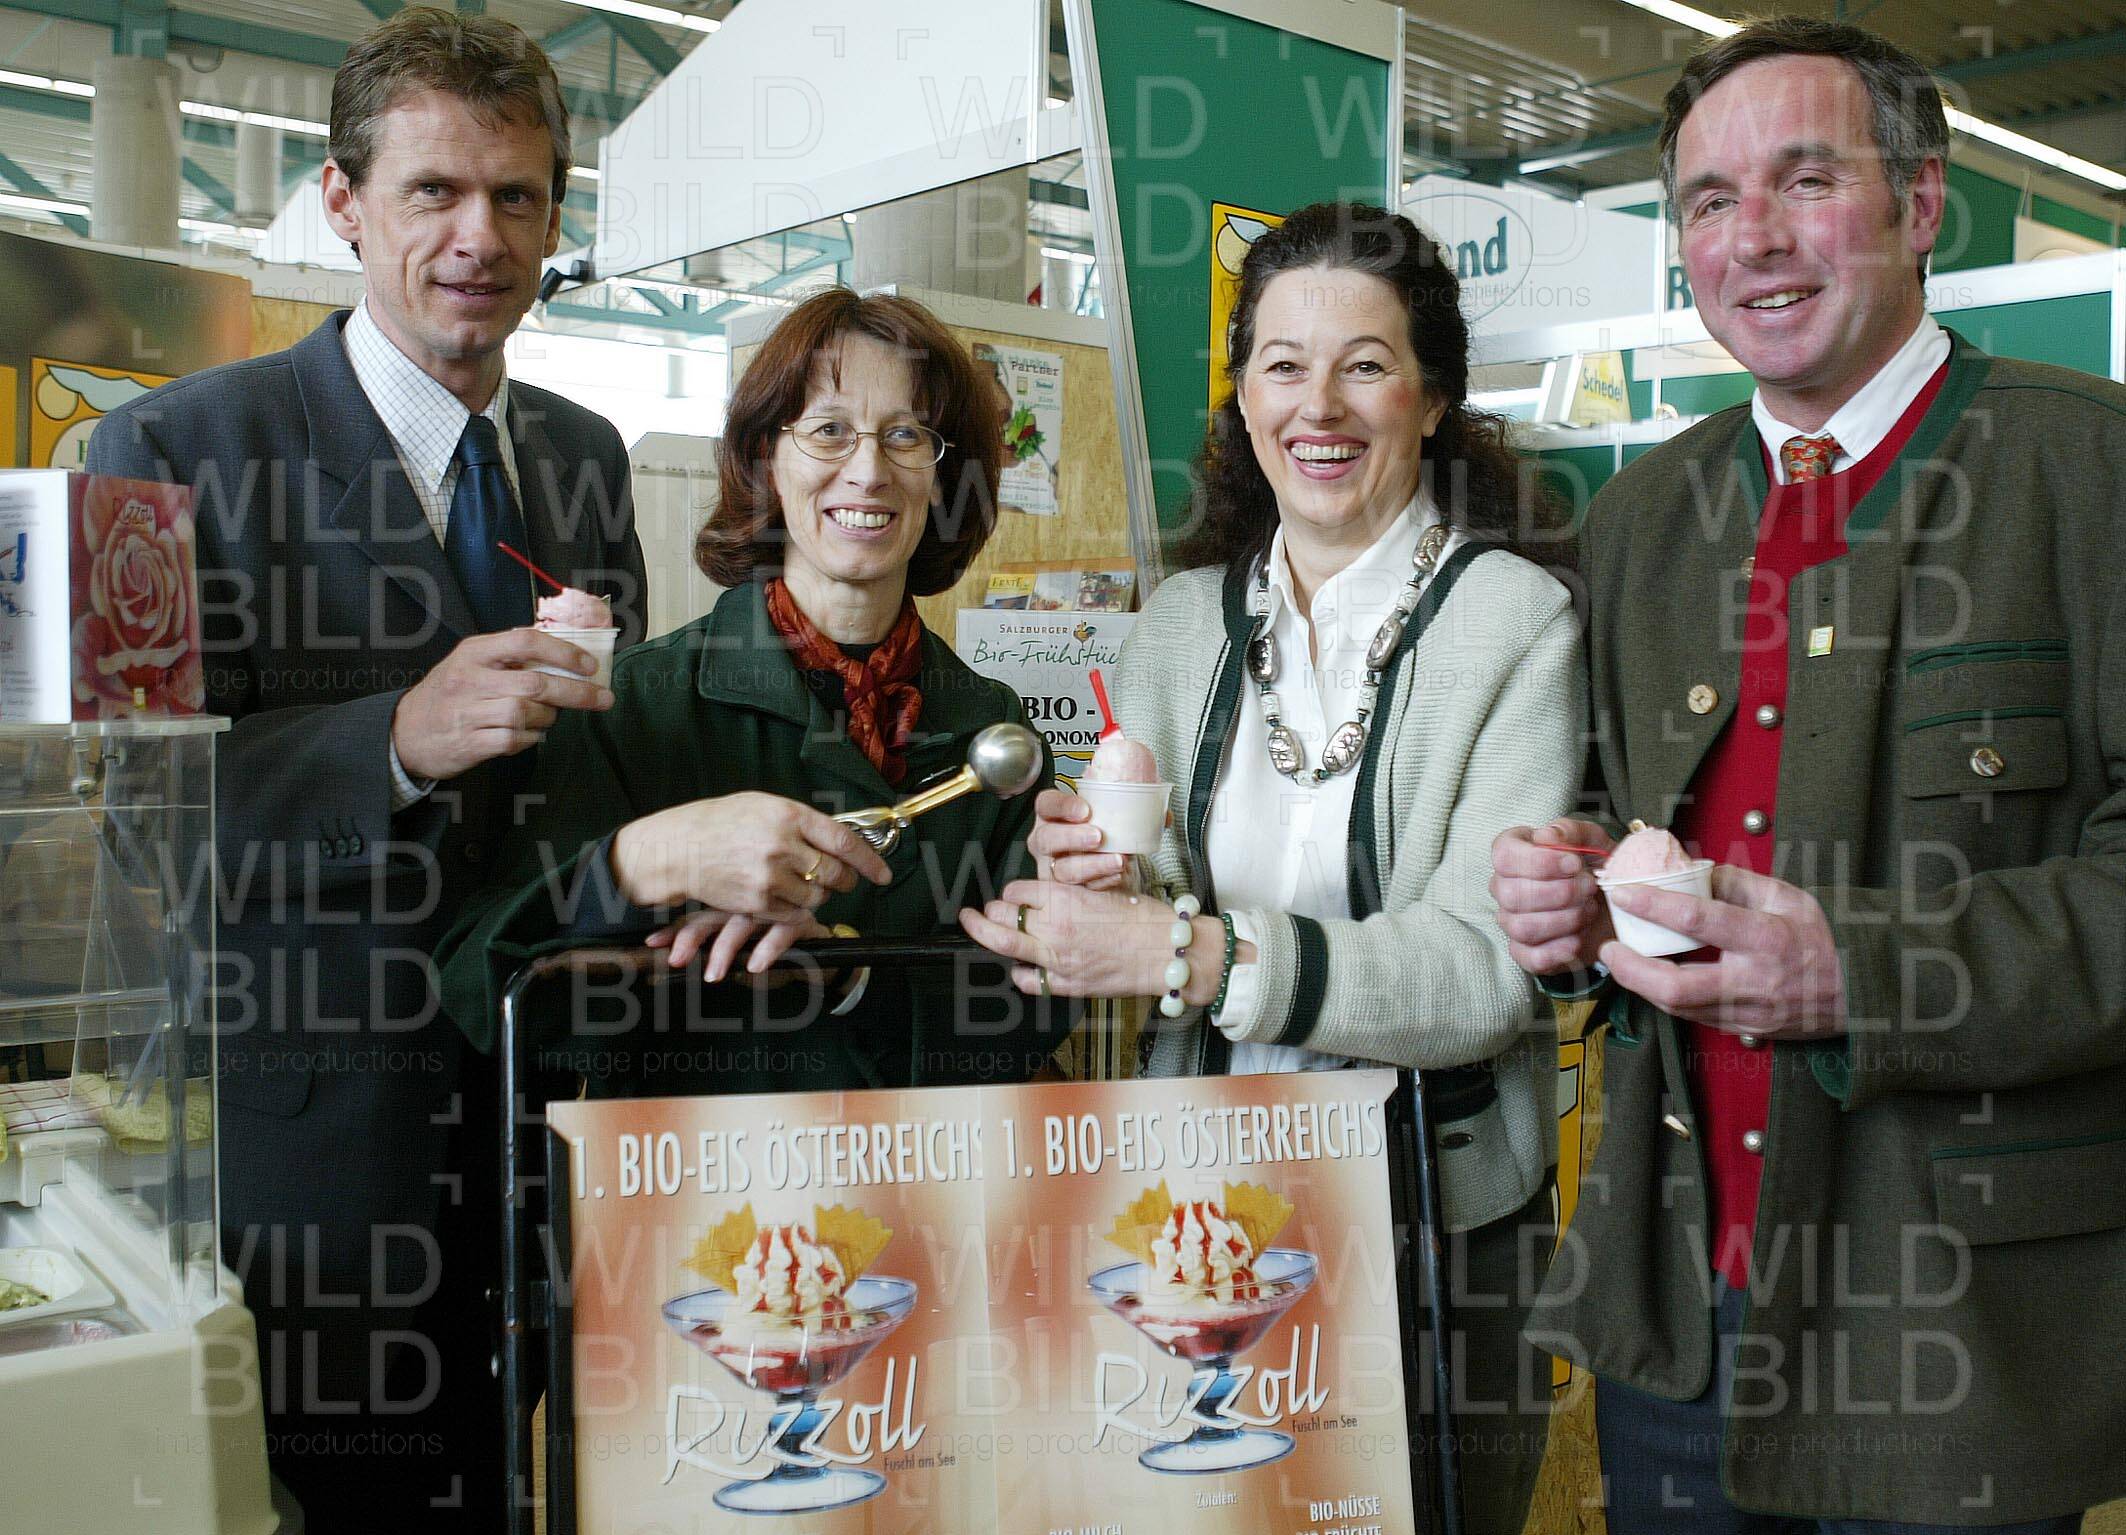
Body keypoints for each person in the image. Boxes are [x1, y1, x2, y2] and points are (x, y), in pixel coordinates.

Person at [1491, 17, 2126, 1532]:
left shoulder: (2085, 473)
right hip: (1678, 1308)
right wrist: (1570, 892)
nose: (1753, 238)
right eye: (1708, 200)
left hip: (1956, 1333)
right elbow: (1626, 816)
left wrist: (1860, 972)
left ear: (1921, 202)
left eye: (1805, 180)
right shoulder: (1643, 515)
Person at [85, 8, 644, 1526]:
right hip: (317, 1171)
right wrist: (389, 741)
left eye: (517, 196)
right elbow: (141, 824)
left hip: (552, 1135)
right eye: (433, 191)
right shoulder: (172, 454)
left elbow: (598, 780)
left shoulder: (586, 456)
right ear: (341, 201)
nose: (480, 237)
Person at [962, 200, 1586, 1535]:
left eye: (1365, 364)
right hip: (1196, 1199)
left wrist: (1187, 952)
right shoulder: (1181, 623)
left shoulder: (1512, 621)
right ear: (1241, 396)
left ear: (1433, 397)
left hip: (1436, 1218)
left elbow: (1483, 973)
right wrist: (1099, 880)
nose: (1319, 404)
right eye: (1283, 364)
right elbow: (1146, 894)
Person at [436, 286, 1062, 1098]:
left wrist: (847, 972)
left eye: (906, 435)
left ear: (945, 479)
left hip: (926, 1173)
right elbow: (486, 990)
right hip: (690, 1173)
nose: (868, 470)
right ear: (768, 459)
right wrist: (642, 865)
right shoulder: (635, 705)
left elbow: (1030, 1014)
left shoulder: (994, 729)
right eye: (829, 430)